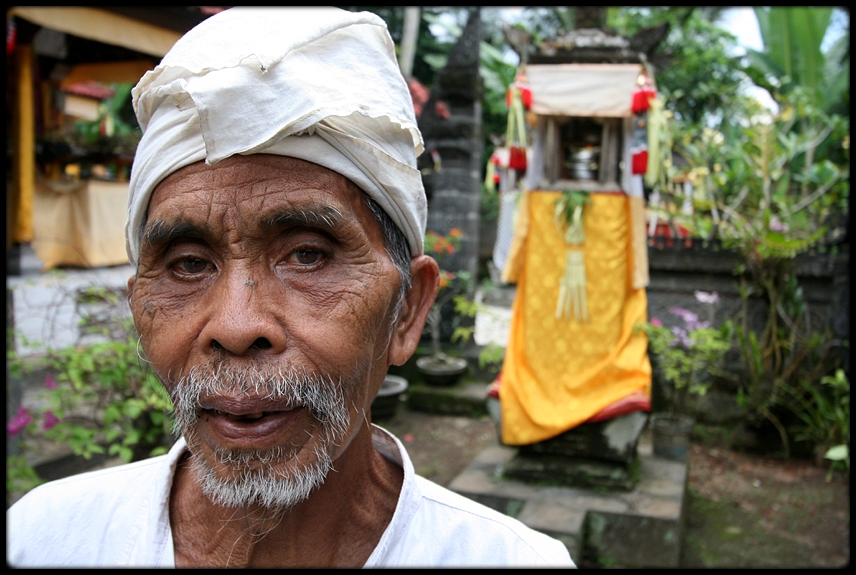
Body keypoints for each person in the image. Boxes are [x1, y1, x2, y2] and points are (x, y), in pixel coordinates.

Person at [7, 7, 574, 568]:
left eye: (307, 256)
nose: (234, 326)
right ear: (138, 305)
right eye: (186, 264)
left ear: (406, 310)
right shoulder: (42, 540)